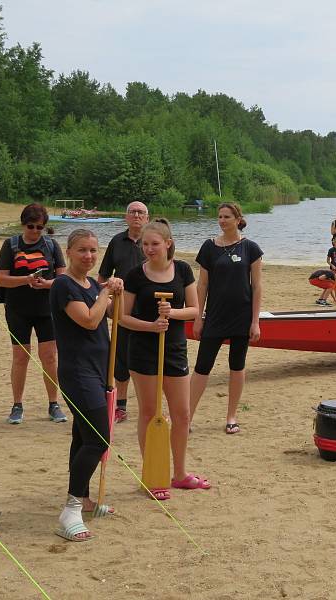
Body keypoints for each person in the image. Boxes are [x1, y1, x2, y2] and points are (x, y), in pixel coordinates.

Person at [121, 219, 207, 501]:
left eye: (155, 244)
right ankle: (152, 475)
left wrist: (172, 313)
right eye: (145, 244)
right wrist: (150, 325)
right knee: (148, 413)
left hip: (174, 349)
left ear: (168, 244)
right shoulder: (135, 275)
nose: (149, 249)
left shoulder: (182, 270)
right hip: (144, 350)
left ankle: (179, 474)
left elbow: (194, 310)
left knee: (181, 413)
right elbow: (122, 316)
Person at [50, 229, 123, 542]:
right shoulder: (64, 285)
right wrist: (107, 291)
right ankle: (70, 510)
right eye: (82, 250)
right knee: (98, 439)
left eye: (94, 250)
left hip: (97, 371)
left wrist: (115, 292)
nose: (89, 256)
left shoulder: (92, 284)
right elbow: (90, 320)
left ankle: (86, 498)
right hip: (78, 373)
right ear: (69, 251)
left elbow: (110, 315)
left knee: (82, 437)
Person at [190, 202, 263, 435]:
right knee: (202, 367)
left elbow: (257, 287)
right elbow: (202, 285)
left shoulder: (250, 248)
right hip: (214, 316)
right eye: (219, 216)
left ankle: (231, 417)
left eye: (227, 216)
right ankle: (187, 416)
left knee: (237, 366)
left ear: (238, 219)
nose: (222, 220)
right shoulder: (209, 247)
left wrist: (255, 321)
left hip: (241, 316)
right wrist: (198, 317)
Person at [0, 203, 67, 425]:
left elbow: (63, 280)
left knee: (49, 356)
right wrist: (26, 280)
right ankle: (17, 405)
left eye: (40, 227)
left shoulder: (51, 245)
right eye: (31, 226)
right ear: (23, 224)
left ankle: (53, 403)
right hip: (17, 309)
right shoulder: (11, 244)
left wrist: (46, 284)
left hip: (47, 309)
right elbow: (1, 279)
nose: (35, 231)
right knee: (20, 357)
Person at [98, 201, 150, 423]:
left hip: (149, 309)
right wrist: (107, 298)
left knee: (150, 357)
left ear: (147, 218)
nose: (136, 215)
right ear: (126, 217)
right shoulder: (116, 242)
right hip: (122, 310)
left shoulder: (153, 242)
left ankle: (150, 404)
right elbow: (102, 277)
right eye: (132, 212)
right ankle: (120, 406)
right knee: (121, 358)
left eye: (141, 212)